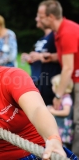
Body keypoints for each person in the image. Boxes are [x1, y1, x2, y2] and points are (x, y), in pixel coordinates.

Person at [37, 0, 79, 156]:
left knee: (78, 122)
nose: (39, 19)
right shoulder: (59, 31)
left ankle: (74, 156)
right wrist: (51, 57)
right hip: (74, 79)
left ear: (51, 17)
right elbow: (69, 55)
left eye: (41, 16)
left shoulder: (67, 32)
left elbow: (68, 67)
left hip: (76, 80)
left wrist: (58, 96)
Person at [21, 16, 61, 106]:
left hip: (50, 82)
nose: (36, 19)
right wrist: (30, 58)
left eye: (40, 16)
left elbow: (61, 55)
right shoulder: (41, 39)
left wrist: (39, 56)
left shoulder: (54, 36)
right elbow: (38, 58)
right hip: (38, 80)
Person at [47, 74, 74, 149]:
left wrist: (53, 112)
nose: (52, 87)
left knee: (63, 147)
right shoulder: (62, 98)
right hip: (60, 128)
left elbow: (66, 112)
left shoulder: (66, 99)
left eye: (53, 85)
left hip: (64, 129)